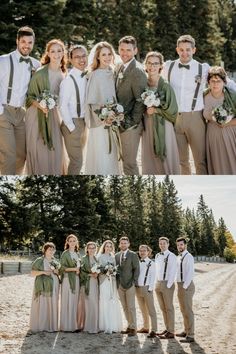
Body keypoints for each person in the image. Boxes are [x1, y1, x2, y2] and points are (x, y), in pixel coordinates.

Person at [162, 34, 209, 175]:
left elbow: (226, 81)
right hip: (175, 118)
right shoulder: (169, 67)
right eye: (181, 49)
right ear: (177, 50)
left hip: (196, 118)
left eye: (188, 49)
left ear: (194, 50)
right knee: (181, 160)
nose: (185, 53)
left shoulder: (203, 69)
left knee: (200, 160)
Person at [0, 26, 40, 175]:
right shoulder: (3, 61)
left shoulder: (36, 65)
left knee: (22, 155)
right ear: (17, 41)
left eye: (30, 42)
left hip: (21, 114)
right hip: (4, 112)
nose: (26, 45)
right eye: (23, 41)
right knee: (8, 156)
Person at [25, 39, 67, 174]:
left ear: (63, 53)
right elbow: (30, 97)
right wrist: (42, 106)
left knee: (56, 150)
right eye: (53, 51)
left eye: (59, 51)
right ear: (48, 53)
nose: (56, 54)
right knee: (39, 150)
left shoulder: (64, 74)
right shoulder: (40, 73)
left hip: (53, 116)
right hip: (36, 115)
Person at [85, 41, 122, 174]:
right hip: (101, 123)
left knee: (113, 154)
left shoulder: (114, 72)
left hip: (114, 121)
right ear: (98, 57)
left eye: (109, 54)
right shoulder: (95, 75)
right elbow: (92, 102)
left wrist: (115, 114)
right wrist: (104, 117)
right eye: (103, 55)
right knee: (103, 153)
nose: (107, 57)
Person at [142, 51, 180, 174]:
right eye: (149, 63)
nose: (152, 66)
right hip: (147, 124)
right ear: (146, 65)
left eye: (155, 63)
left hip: (164, 125)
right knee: (149, 154)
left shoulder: (166, 86)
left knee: (167, 154)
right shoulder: (143, 84)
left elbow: (173, 111)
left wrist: (156, 110)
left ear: (160, 66)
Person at [115, 35, 147, 175]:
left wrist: (130, 122)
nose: (124, 53)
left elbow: (141, 100)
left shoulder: (137, 71)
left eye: (128, 50)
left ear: (135, 50)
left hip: (130, 126)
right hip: (119, 123)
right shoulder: (120, 67)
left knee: (129, 163)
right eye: (122, 49)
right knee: (123, 162)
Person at [59, 45, 88, 174]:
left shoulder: (87, 76)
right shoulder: (68, 81)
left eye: (83, 56)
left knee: (77, 160)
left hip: (83, 123)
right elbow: (62, 105)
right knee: (77, 162)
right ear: (70, 59)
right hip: (72, 123)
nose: (81, 59)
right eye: (77, 57)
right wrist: (71, 127)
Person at [203, 66, 236, 174]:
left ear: (224, 82)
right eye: (212, 81)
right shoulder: (203, 96)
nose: (215, 84)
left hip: (230, 135)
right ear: (208, 82)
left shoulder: (232, 96)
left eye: (218, 81)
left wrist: (227, 124)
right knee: (217, 165)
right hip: (212, 136)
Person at [29, 242, 60, 332]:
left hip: (54, 285)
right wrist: (43, 272)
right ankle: (42, 325)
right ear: (45, 250)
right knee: (43, 304)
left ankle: (52, 325)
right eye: (49, 249)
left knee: (52, 304)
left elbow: (59, 273)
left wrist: (56, 271)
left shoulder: (55, 261)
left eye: (52, 249)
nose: (51, 251)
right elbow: (32, 273)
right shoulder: (39, 260)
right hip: (42, 285)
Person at [115, 235, 140, 336]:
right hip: (120, 285)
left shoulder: (133, 255)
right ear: (119, 245)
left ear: (128, 244)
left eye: (125, 243)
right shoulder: (116, 256)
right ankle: (129, 326)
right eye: (122, 243)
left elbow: (136, 269)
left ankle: (134, 327)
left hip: (130, 284)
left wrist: (133, 281)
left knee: (131, 307)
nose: (123, 244)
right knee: (124, 307)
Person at [97, 240, 123, 334]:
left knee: (112, 301)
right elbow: (98, 269)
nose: (108, 248)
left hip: (112, 281)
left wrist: (112, 272)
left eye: (110, 246)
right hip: (104, 281)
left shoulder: (113, 257)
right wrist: (105, 271)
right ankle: (105, 325)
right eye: (107, 246)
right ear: (104, 247)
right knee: (105, 301)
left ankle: (113, 325)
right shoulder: (99, 257)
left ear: (112, 248)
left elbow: (115, 268)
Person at [155, 237, 177, 339]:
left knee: (169, 308)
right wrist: (156, 283)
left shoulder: (172, 256)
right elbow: (156, 270)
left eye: (164, 243)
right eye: (160, 243)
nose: (162, 245)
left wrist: (168, 285)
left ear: (168, 244)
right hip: (158, 283)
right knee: (163, 308)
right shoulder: (157, 255)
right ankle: (167, 328)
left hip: (167, 284)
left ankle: (171, 331)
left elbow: (173, 271)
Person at [175, 237, 195, 343]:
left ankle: (191, 335)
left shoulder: (189, 257)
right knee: (183, 310)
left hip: (186, 285)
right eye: (178, 245)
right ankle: (186, 330)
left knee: (188, 310)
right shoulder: (178, 257)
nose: (179, 247)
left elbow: (190, 273)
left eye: (181, 245)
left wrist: (184, 286)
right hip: (180, 285)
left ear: (185, 245)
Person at [60, 234, 81, 332]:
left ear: (76, 242)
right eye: (70, 241)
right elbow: (62, 268)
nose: (72, 243)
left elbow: (80, 267)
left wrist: (78, 271)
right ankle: (66, 326)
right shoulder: (65, 253)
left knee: (74, 301)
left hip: (76, 279)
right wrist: (74, 269)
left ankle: (74, 325)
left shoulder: (78, 254)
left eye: (74, 241)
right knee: (67, 301)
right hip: (67, 279)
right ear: (67, 242)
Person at [136, 245, 157, 338]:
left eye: (144, 251)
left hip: (147, 288)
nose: (142, 252)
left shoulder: (151, 263)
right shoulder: (138, 262)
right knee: (143, 309)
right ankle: (145, 327)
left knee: (151, 310)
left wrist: (150, 289)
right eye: (140, 251)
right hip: (138, 288)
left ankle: (154, 329)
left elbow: (153, 277)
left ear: (148, 252)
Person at [80, 241, 99, 334]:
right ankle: (88, 326)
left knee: (95, 303)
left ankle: (94, 325)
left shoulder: (97, 258)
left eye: (93, 248)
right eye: (90, 248)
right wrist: (91, 275)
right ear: (87, 249)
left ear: (96, 249)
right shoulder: (83, 259)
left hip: (96, 283)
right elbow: (81, 272)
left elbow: (100, 269)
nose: (91, 250)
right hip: (88, 282)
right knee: (89, 303)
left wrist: (97, 274)